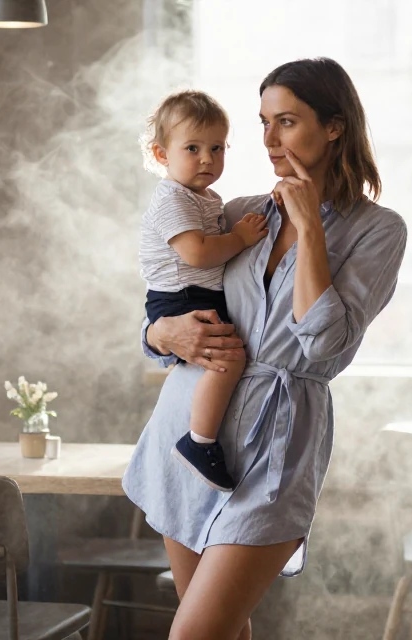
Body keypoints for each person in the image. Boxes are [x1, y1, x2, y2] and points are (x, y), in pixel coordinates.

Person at [123, 57, 408, 640]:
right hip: (187, 433)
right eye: (262, 123)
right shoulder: (240, 214)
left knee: (195, 634)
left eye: (286, 121)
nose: (269, 139)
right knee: (223, 631)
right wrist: (158, 335)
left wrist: (310, 228)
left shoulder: (379, 230)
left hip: (278, 443)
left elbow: (325, 342)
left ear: (334, 127)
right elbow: (171, 300)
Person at [138, 90, 270, 491]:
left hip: (192, 293)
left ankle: (200, 435)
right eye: (192, 148)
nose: (207, 159)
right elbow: (196, 253)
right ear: (162, 154)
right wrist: (240, 238)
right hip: (182, 295)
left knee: (223, 359)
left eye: (217, 148)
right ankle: (199, 441)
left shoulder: (205, 197)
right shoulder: (173, 198)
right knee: (229, 359)